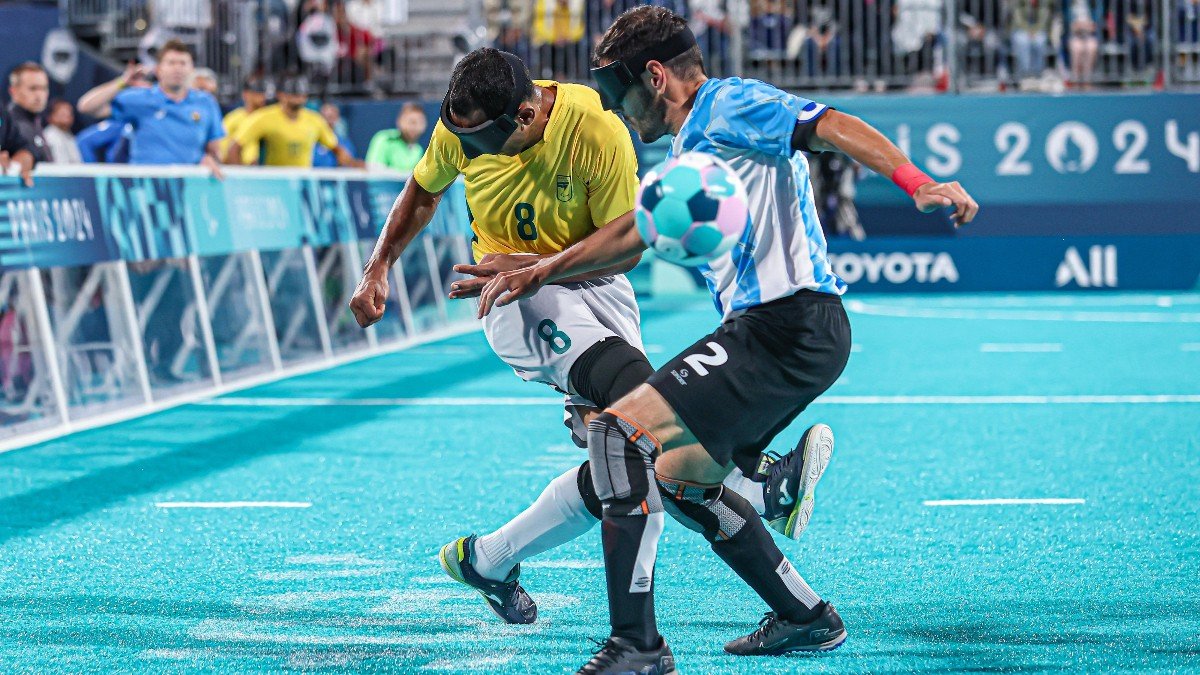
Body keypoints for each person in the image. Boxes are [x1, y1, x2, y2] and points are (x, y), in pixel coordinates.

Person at [470, 7, 978, 672]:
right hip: (774, 331)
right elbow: (631, 234)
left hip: (786, 324)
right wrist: (540, 268)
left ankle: (637, 647)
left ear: (654, 77)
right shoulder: (690, 149)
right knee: (683, 481)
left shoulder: (726, 102)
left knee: (620, 433)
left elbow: (831, 127)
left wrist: (917, 182)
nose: (621, 114)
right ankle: (807, 616)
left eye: (620, 95)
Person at [348, 47, 828, 628]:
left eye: (481, 142)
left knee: (635, 460)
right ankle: (755, 492)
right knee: (647, 429)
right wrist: (377, 268)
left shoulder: (596, 131)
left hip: (592, 286)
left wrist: (536, 261)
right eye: (460, 138)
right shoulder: (465, 124)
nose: (467, 151)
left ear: (524, 116)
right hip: (516, 298)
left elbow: (620, 251)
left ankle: (489, 559)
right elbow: (423, 192)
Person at [76, 40, 224, 177]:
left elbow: (214, 150)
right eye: (171, 63)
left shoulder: (206, 102)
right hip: (147, 189)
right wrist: (122, 81)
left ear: (191, 69)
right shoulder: (140, 99)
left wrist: (209, 159)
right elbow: (86, 106)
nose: (177, 68)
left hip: (187, 189)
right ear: (158, 69)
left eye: (183, 63)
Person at [226, 74, 361, 168]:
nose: (296, 99)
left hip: (303, 184)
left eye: (300, 95)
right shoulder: (263, 117)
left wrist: (352, 164)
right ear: (280, 95)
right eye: (292, 95)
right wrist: (240, 178)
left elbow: (337, 149)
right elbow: (234, 147)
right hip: (275, 182)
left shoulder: (314, 120)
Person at [6, 62, 51, 163]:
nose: (39, 95)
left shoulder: (35, 122)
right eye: (33, 88)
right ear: (13, 91)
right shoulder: (8, 126)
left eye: (44, 88)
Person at [364, 102, 427, 172]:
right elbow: (373, 170)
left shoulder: (418, 150)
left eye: (421, 122)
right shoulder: (384, 139)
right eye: (412, 122)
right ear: (399, 121)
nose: (416, 127)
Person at [221, 76, 268, 165]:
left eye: (263, 94)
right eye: (256, 93)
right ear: (245, 94)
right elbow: (222, 151)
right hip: (242, 169)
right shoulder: (233, 118)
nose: (262, 97)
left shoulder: (268, 117)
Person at [312, 101, 357, 167]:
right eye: (324, 117)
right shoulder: (311, 141)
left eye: (330, 117)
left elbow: (349, 164)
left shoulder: (345, 143)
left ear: (337, 118)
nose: (327, 121)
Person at [42, 100, 82, 164]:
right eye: (62, 113)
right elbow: (60, 164)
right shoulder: (50, 135)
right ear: (50, 117)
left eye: (69, 113)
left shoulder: (69, 135)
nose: (67, 116)